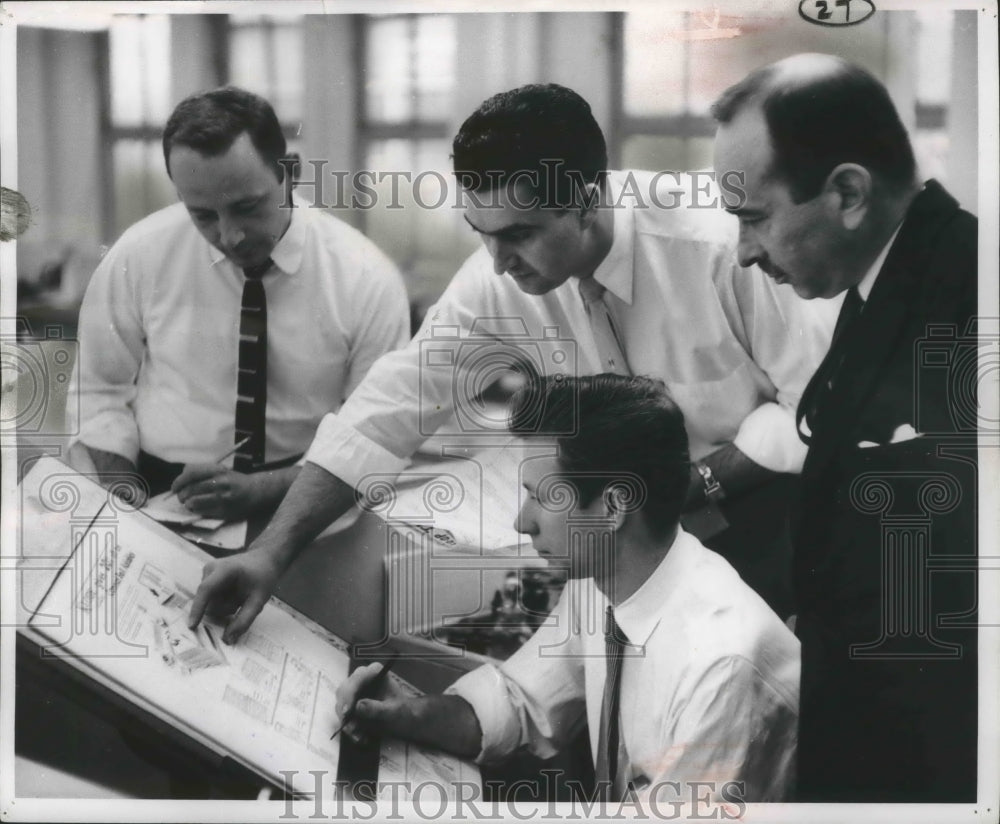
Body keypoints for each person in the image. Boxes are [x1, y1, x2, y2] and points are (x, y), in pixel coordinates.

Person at [189, 83, 830, 638]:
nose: (498, 261)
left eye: (518, 234)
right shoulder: (498, 282)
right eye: (482, 233)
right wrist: (271, 554)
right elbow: (386, 412)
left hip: (757, 514)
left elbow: (816, 409)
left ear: (585, 202)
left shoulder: (717, 248)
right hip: (614, 533)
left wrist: (698, 484)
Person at [711, 53, 978, 801]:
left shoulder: (967, 304)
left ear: (849, 194)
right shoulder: (886, 286)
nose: (744, 253)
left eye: (754, 218)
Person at [336, 374, 800, 803]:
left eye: (542, 496)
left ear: (614, 507)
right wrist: (410, 713)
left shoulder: (721, 667)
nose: (523, 521)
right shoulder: (604, 580)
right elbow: (523, 702)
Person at [69, 87, 410, 520]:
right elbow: (98, 389)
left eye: (247, 207)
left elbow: (372, 434)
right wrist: (125, 499)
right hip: (157, 497)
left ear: (290, 173)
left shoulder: (365, 277)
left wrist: (267, 491)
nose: (230, 236)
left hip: (309, 499)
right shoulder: (139, 254)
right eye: (203, 215)